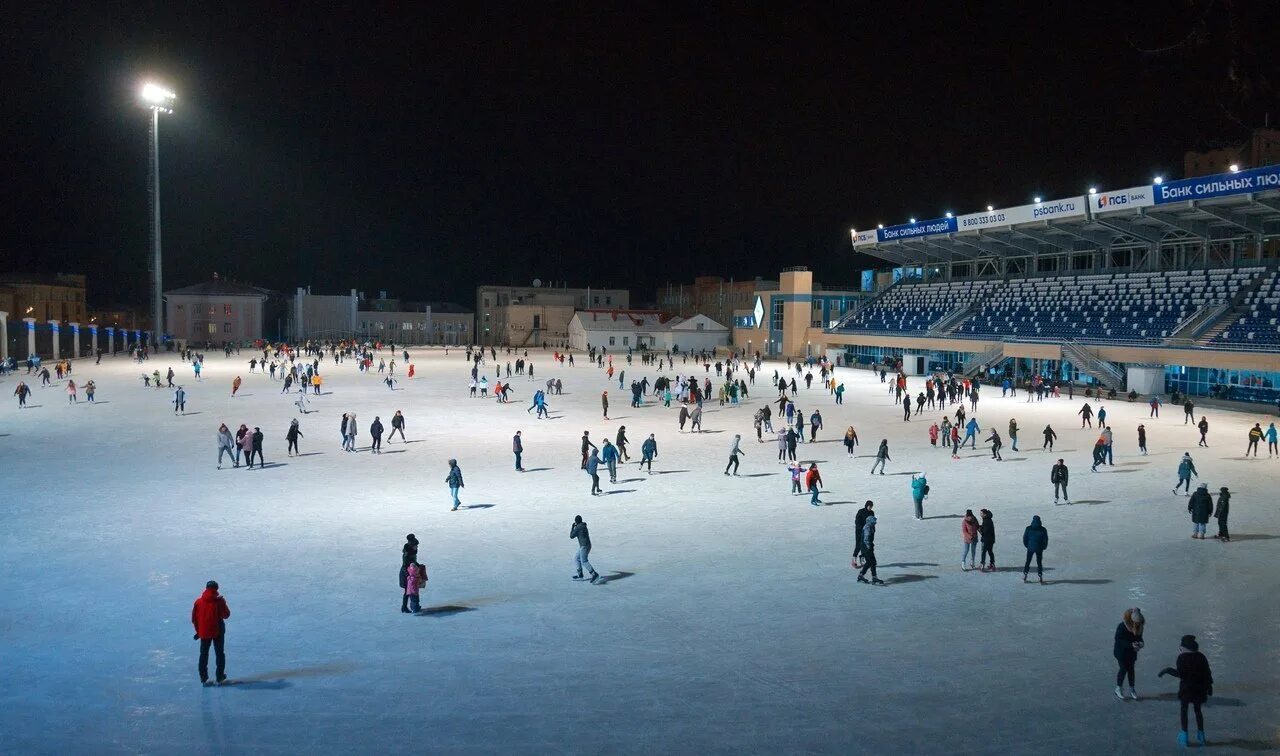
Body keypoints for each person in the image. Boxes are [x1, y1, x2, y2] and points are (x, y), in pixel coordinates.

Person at [1158, 635, 1214, 747]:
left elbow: (1180, 674)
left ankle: (1184, 735)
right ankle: (1201, 735)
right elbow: (1207, 673)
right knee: (1198, 711)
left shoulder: (1182, 658)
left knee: (1184, 711)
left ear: (1184, 647)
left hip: (1187, 690)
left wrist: (1167, 670)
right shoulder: (1201, 657)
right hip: (1199, 689)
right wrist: (1209, 686)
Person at [191, 580, 231, 686]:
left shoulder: (198, 602)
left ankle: (203, 678)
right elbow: (226, 615)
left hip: (204, 632)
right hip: (218, 631)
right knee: (220, 653)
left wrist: (198, 631)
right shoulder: (219, 601)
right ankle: (219, 677)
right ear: (216, 589)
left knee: (203, 654)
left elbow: (194, 619)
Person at [1113, 608, 1145, 701]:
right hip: (1121, 652)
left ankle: (1132, 688)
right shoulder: (1122, 626)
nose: (1138, 625)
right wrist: (1131, 644)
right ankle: (1118, 688)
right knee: (1123, 668)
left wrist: (1141, 643)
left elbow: (1139, 638)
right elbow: (1118, 640)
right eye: (1136, 623)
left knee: (1131, 669)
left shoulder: (1139, 626)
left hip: (1132, 653)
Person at [570, 515, 601, 583]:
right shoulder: (584, 525)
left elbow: (571, 536)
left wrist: (572, 527)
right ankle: (580, 575)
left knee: (584, 561)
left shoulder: (578, 527)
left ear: (576, 522)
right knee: (576, 558)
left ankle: (594, 574)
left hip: (584, 546)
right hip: (587, 545)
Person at [856, 511, 884, 585]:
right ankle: (872, 577)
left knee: (870, 562)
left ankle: (862, 575)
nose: (875, 522)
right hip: (866, 548)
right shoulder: (867, 527)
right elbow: (866, 538)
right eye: (874, 521)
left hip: (867, 547)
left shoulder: (870, 526)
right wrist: (869, 547)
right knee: (872, 562)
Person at [1021, 515, 1048, 583]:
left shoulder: (1028, 528)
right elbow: (1045, 540)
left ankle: (1025, 575)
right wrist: (1044, 547)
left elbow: (1025, 538)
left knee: (1028, 561)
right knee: (1039, 562)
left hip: (1030, 548)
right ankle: (1040, 575)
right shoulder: (1043, 529)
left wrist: (1027, 545)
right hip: (1039, 548)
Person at [852, 501, 873, 567]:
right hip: (859, 531)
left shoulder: (872, 513)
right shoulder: (861, 511)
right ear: (866, 505)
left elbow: (872, 522)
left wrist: (872, 530)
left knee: (865, 546)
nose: (870, 507)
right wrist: (861, 528)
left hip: (867, 532)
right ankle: (854, 559)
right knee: (858, 545)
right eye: (869, 506)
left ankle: (862, 558)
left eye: (871, 506)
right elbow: (857, 521)